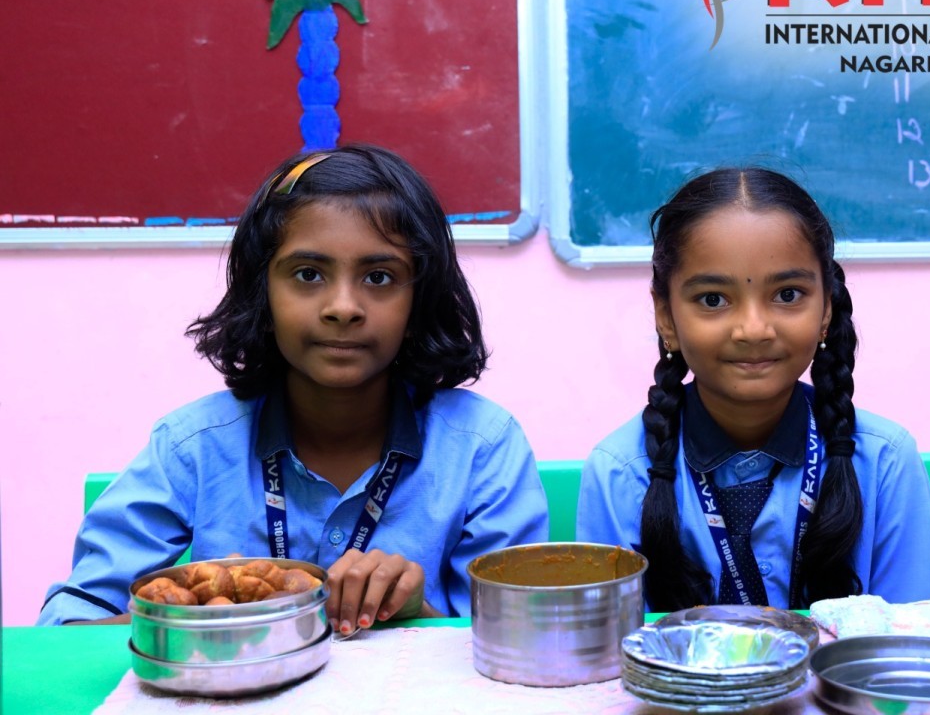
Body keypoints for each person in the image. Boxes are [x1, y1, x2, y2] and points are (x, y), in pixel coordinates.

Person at [38, 145, 548, 629]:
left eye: (379, 278)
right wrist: (193, 622)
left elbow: (520, 641)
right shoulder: (192, 446)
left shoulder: (483, 447)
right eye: (307, 274)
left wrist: (417, 614)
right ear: (262, 293)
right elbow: (65, 627)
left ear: (420, 301)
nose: (343, 307)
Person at [576, 167, 930, 612]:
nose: (753, 329)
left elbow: (907, 642)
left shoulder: (885, 463)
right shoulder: (620, 472)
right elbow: (611, 648)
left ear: (826, 309)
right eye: (713, 299)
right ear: (666, 317)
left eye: (787, 295)